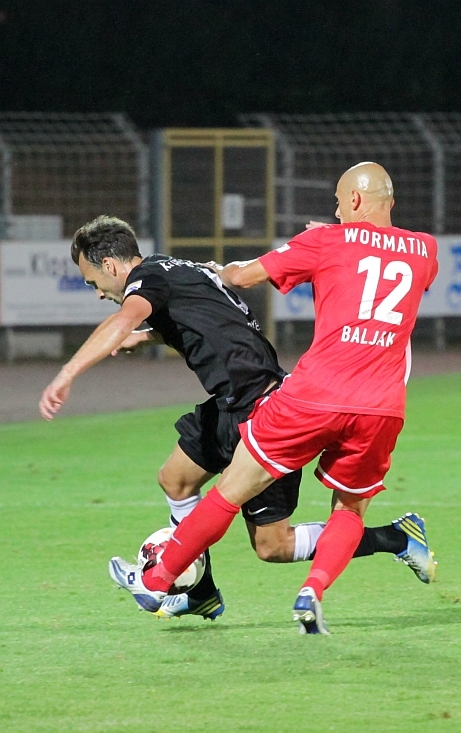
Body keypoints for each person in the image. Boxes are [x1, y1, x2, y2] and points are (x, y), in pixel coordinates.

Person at [39, 213, 435, 624]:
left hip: (260, 404)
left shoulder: (147, 280)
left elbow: (123, 318)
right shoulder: (174, 269)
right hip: (230, 401)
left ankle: (395, 537)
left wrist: (68, 373)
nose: (98, 293)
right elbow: (209, 318)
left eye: (93, 282)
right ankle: (200, 593)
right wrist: (149, 336)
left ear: (109, 265)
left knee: (273, 546)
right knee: (175, 479)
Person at [136, 162, 439, 634]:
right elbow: (377, 256)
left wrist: (222, 271)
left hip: (313, 397)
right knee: (349, 510)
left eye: (338, 204)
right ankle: (312, 591)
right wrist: (339, 236)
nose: (334, 213)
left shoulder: (326, 241)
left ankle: (156, 579)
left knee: (230, 489)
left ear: (354, 200)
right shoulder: (425, 250)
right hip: (381, 407)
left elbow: (243, 276)